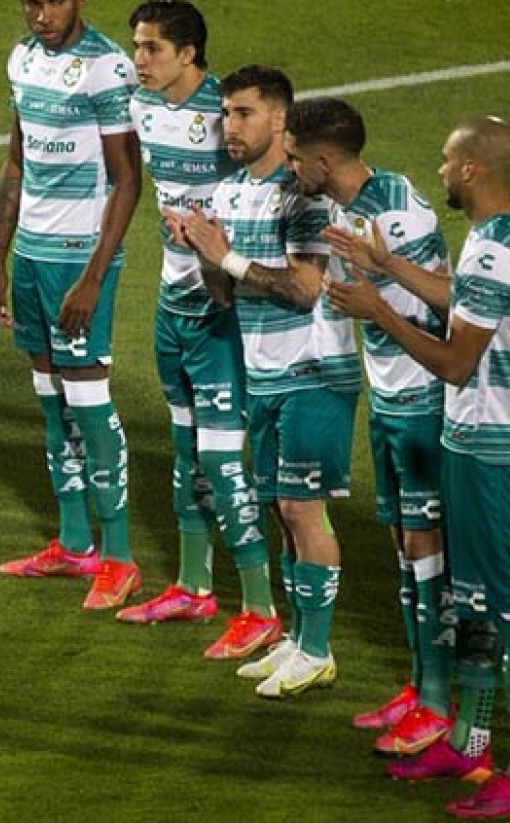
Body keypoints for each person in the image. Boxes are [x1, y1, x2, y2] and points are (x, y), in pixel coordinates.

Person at [326, 116, 510, 818]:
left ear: (472, 172)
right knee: (475, 599)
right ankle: (470, 741)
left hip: (495, 448)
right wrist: (389, 268)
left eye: (447, 162)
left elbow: (457, 360)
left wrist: (379, 311)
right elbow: (468, 305)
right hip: (473, 438)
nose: (439, 172)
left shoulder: (493, 254)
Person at [168, 66, 361, 697]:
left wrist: (224, 254)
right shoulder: (226, 194)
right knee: (283, 508)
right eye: (226, 113)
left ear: (280, 120)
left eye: (244, 113)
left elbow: (306, 291)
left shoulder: (302, 195)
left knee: (302, 508)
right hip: (265, 374)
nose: (230, 125)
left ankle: (318, 649)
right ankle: (296, 642)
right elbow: (225, 295)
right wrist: (201, 247)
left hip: (314, 371)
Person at [283, 97, 456, 752]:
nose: (292, 166)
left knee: (427, 555)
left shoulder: (395, 212)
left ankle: (441, 707)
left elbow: (454, 298)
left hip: (422, 401)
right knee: (403, 552)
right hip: (390, 399)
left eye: (297, 156)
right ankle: (420, 687)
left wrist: (375, 298)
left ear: (325, 159)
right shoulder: (343, 203)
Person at [118, 0, 282, 657]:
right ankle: (192, 585)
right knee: (186, 450)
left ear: (189, 53)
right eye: (137, 46)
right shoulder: (143, 107)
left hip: (222, 312)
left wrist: (226, 252)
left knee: (220, 456)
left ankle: (262, 605)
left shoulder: (229, 117)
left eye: (153, 48)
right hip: (171, 306)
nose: (140, 60)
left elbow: (273, 193)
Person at [0, 0, 142, 611]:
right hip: (31, 257)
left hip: (81, 260)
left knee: (90, 406)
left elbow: (130, 178)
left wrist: (92, 277)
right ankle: (75, 545)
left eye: (54, 1)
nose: (42, 14)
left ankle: (121, 557)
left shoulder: (107, 68)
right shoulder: (22, 60)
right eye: (31, 2)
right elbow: (16, 165)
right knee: (51, 403)